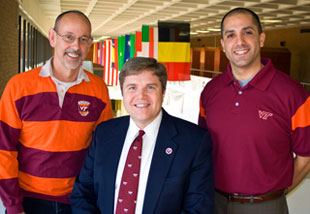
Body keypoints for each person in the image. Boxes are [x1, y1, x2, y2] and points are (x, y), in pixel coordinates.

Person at [0, 10, 113, 214]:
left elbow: (103, 151)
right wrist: (13, 206)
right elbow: (3, 150)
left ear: (90, 44)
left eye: (83, 39)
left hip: (79, 199)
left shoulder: (98, 89)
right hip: (28, 199)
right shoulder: (19, 87)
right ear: (53, 38)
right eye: (68, 37)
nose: (76, 46)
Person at [198, 7, 310, 214]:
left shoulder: (293, 93)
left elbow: (306, 155)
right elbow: (203, 146)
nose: (239, 42)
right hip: (214, 202)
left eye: (247, 32)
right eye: (230, 35)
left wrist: (275, 194)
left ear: (261, 38)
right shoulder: (210, 91)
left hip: (265, 206)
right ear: (223, 44)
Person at [70, 57, 214, 214]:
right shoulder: (104, 133)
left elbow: (198, 208)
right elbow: (82, 193)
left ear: (163, 92)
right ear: (123, 92)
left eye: (150, 87)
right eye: (132, 88)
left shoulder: (194, 141)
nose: (141, 96)